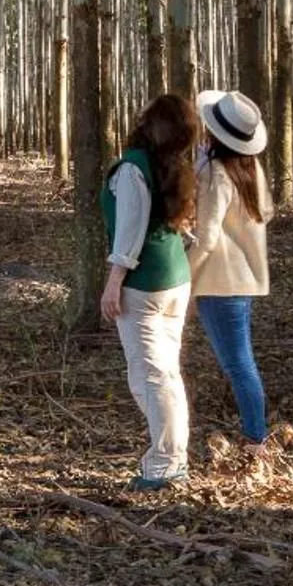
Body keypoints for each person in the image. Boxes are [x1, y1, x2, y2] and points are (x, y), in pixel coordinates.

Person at [100, 93, 200, 490]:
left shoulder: (132, 170)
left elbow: (129, 231)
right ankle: (173, 456)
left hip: (145, 288)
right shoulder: (172, 167)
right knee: (166, 373)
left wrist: (113, 283)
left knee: (150, 376)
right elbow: (178, 224)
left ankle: (165, 465)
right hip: (176, 279)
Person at [190, 88, 273, 458]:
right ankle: (256, 437)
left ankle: (256, 440)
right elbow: (265, 212)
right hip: (242, 277)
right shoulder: (249, 167)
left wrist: (184, 280)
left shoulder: (218, 175)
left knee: (239, 364)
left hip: (220, 280)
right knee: (241, 362)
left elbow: (206, 237)